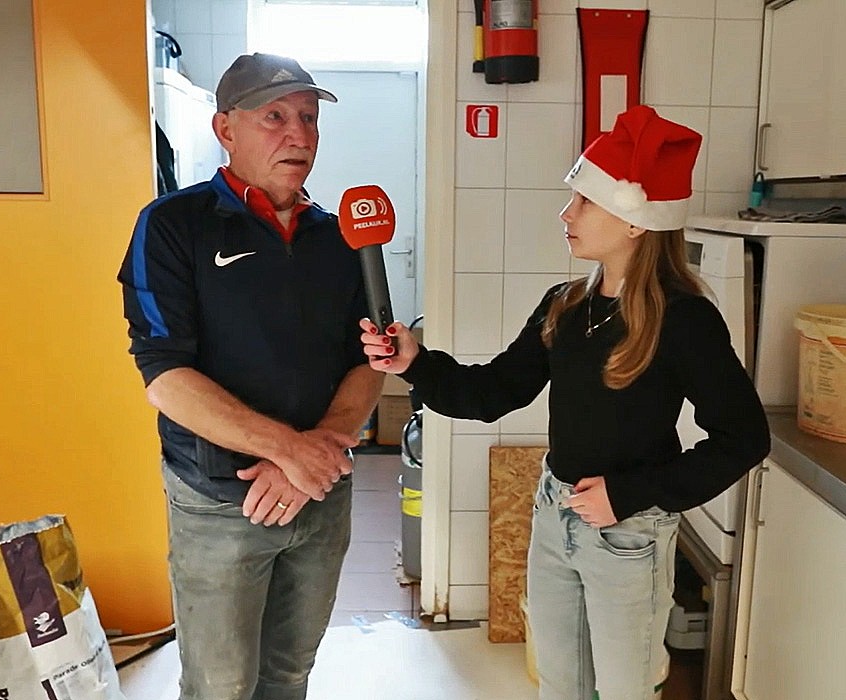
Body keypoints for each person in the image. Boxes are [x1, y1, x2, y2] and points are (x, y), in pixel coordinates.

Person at [360, 105, 770, 700]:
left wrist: (628, 494)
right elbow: (492, 392)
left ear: (634, 220)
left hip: (628, 533)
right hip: (555, 514)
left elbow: (745, 438)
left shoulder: (684, 320)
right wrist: (415, 363)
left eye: (584, 200)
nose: (566, 213)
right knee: (559, 685)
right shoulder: (565, 305)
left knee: (625, 691)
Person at [118, 53, 384, 700]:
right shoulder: (173, 226)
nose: (299, 134)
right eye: (275, 117)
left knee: (289, 674)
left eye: (309, 118)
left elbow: (368, 361)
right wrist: (290, 451)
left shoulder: (340, 238)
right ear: (225, 128)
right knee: (222, 685)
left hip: (321, 494)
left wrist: (312, 456)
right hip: (220, 500)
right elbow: (165, 375)